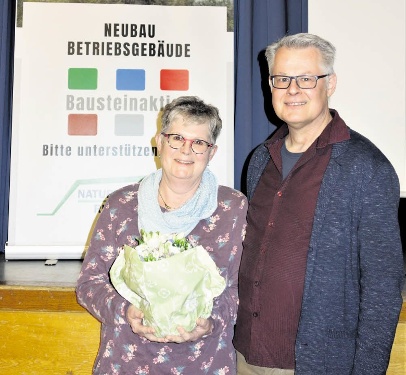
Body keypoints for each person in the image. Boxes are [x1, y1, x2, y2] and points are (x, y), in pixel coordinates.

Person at [233, 33, 404, 375]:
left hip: (318, 364)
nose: (292, 90)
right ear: (270, 85)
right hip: (244, 355)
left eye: (306, 78)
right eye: (282, 79)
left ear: (330, 83)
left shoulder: (367, 168)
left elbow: (383, 285)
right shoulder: (259, 161)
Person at [76, 96, 248, 374]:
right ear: (159, 140)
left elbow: (245, 290)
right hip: (127, 362)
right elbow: (89, 284)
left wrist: (209, 321)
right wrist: (125, 311)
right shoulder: (120, 205)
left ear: (211, 152)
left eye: (199, 143)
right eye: (176, 138)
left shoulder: (233, 209)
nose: (186, 150)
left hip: (204, 363)